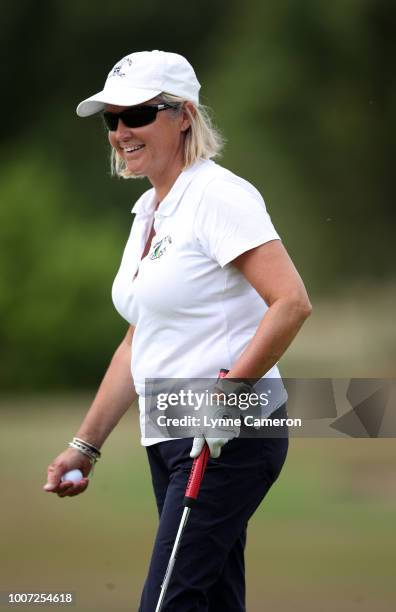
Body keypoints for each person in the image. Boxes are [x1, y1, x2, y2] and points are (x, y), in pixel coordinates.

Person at [43, 50, 312, 611]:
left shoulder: (217, 196)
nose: (121, 131)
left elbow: (290, 302)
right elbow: (137, 338)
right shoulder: (149, 210)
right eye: (110, 119)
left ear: (182, 114)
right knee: (211, 600)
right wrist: (85, 446)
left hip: (227, 433)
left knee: (169, 601)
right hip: (171, 433)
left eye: (138, 114)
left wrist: (229, 393)